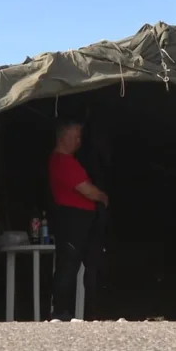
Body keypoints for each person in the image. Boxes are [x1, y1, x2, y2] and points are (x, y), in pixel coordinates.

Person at [48, 119, 109, 322]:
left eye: (79, 137)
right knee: (69, 263)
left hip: (81, 218)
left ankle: (85, 310)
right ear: (63, 137)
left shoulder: (68, 161)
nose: (78, 142)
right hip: (73, 218)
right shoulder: (63, 161)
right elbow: (87, 190)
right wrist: (103, 197)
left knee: (82, 264)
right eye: (75, 137)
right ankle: (61, 311)